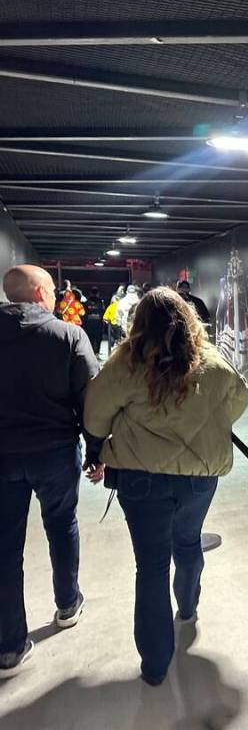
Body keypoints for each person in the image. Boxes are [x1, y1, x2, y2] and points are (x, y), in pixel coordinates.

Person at [85, 288, 248, 686]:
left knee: (152, 567)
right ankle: (188, 608)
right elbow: (238, 401)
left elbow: (94, 414)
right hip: (199, 477)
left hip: (142, 480)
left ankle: (156, 666)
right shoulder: (211, 362)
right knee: (188, 542)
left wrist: (100, 447)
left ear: (139, 322)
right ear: (189, 318)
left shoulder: (126, 364)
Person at [0, 265, 99, 673]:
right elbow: (91, 398)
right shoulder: (68, 334)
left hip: (2, 456)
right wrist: (96, 452)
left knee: (5, 547)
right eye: (54, 289)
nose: (58, 296)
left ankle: (9, 644)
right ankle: (67, 604)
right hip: (56, 451)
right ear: (40, 292)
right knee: (62, 527)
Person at [82, 287, 106, 356]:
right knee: (98, 339)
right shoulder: (101, 302)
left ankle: (91, 353)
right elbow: (103, 312)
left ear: (90, 293)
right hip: (98, 324)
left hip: (89, 324)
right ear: (98, 293)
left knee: (90, 339)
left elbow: (84, 314)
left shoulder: (86, 302)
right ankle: (97, 353)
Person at [104, 284, 125, 351]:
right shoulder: (121, 304)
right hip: (118, 324)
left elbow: (105, 317)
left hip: (116, 324)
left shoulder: (112, 306)